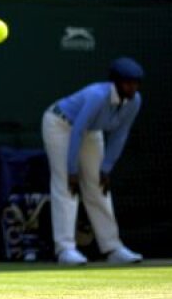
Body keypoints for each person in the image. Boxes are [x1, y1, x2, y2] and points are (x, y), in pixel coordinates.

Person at [42, 57, 145, 266]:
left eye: (136, 83)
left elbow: (120, 134)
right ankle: (65, 249)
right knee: (66, 185)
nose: (132, 87)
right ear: (116, 82)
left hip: (91, 130)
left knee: (98, 186)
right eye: (127, 83)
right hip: (60, 125)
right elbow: (77, 131)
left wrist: (106, 168)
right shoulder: (97, 96)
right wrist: (72, 170)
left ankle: (113, 248)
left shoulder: (135, 101)